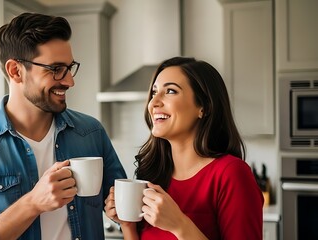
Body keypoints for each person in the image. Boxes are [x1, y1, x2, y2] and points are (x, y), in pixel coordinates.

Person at [0, 12, 126, 240]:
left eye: (69, 68)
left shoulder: (91, 132)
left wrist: (122, 210)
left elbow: (121, 205)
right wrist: (32, 204)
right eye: (56, 69)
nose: (69, 81)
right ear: (16, 71)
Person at [104, 56, 264, 240]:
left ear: (203, 107)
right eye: (154, 93)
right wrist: (128, 225)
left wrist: (179, 225)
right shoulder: (152, 176)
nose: (153, 103)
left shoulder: (231, 174)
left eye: (170, 91)